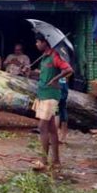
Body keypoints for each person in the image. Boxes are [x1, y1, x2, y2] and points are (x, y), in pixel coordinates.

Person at [31, 34, 73, 168]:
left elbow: (68, 69)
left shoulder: (55, 56)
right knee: (52, 129)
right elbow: (44, 74)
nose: (36, 44)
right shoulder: (44, 58)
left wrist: (55, 80)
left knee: (42, 127)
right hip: (42, 94)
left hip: (51, 95)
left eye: (38, 42)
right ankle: (56, 161)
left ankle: (43, 161)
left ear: (45, 43)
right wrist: (30, 72)